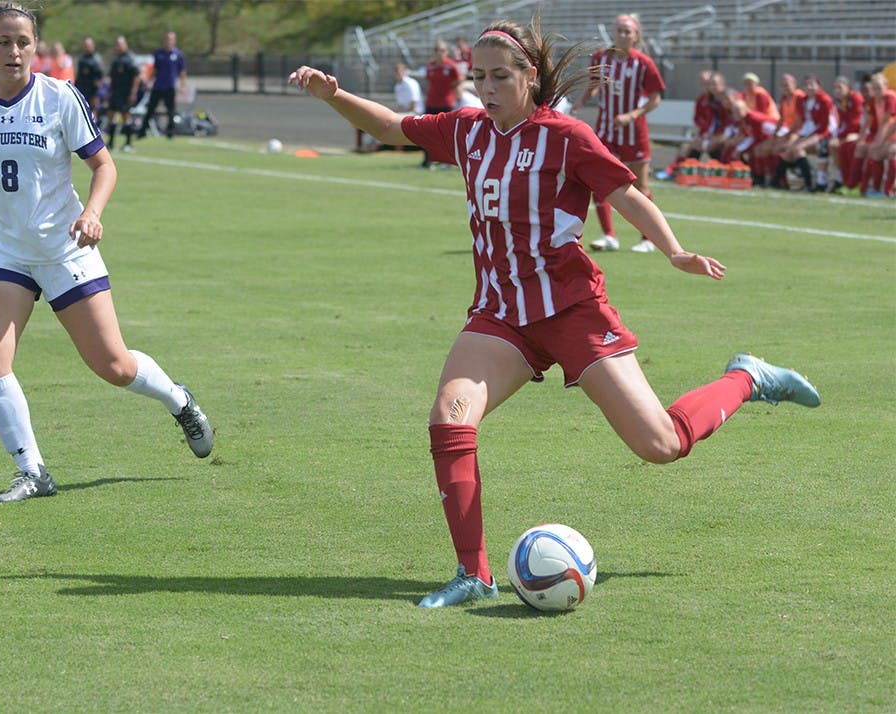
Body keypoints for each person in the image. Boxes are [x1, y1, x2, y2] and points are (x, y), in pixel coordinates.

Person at [288, 19, 821, 608]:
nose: (485, 88)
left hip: (572, 311)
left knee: (660, 445)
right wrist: (333, 95)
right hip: (500, 316)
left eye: (498, 76)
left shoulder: (565, 137)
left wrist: (674, 251)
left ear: (530, 77)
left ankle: (746, 377)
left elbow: (626, 194)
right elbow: (391, 126)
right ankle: (474, 575)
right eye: (478, 76)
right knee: (449, 416)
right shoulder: (467, 130)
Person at [0, 2, 213, 503]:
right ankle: (33, 471)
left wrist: (92, 213)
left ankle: (178, 400)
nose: (14, 51)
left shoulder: (60, 96)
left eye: (23, 42)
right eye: (4, 41)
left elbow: (104, 166)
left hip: (65, 250)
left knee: (113, 367)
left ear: (35, 47)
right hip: (3, 253)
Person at [572, 14, 664, 254]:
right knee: (598, 181)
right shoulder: (601, 58)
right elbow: (594, 84)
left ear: (636, 36)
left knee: (640, 185)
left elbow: (655, 99)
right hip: (606, 130)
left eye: (627, 31)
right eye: (619, 30)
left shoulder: (643, 63)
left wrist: (632, 115)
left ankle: (647, 238)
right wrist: (580, 101)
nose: (622, 35)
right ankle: (609, 235)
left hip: (634, 132)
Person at [771, 75, 836, 192]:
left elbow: (824, 125)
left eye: (812, 84)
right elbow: (801, 120)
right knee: (787, 153)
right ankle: (775, 182)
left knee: (798, 149)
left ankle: (810, 183)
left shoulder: (824, 100)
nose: (809, 87)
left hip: (823, 133)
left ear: (819, 86)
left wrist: (805, 137)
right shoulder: (803, 100)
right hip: (808, 132)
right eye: (807, 85)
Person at [138, 30, 186, 140]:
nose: (168, 41)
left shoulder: (177, 54)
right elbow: (154, 70)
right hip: (158, 86)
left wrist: (182, 85)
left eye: (171, 39)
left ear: (174, 41)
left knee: (171, 111)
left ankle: (171, 132)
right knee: (150, 109)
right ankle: (142, 131)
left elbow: (182, 71)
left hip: (170, 87)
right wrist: (149, 81)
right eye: (167, 39)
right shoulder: (158, 54)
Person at [420, 40, 461, 168]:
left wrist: (453, 92)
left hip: (446, 104)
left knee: (446, 134)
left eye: (442, 50)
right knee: (426, 132)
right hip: (431, 103)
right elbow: (429, 81)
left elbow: (458, 79)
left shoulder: (450, 66)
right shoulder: (430, 66)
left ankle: (446, 162)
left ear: (446, 52)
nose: (439, 53)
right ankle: (428, 161)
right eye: (437, 50)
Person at [104, 35, 141, 152]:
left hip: (125, 93)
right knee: (111, 115)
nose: (118, 47)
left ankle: (129, 143)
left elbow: (136, 76)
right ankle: (110, 142)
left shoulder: (130, 58)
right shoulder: (116, 59)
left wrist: (133, 92)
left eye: (120, 44)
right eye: (117, 44)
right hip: (115, 92)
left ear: (126, 45)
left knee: (126, 116)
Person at [829, 75, 864, 193]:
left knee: (847, 145)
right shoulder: (840, 102)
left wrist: (841, 136)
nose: (837, 91)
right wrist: (837, 136)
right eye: (835, 88)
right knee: (833, 145)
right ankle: (841, 179)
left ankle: (854, 182)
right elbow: (841, 122)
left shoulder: (856, 99)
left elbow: (855, 122)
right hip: (849, 132)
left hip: (859, 131)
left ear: (848, 88)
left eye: (840, 87)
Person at [74, 36, 104, 112]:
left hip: (92, 90)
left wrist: (96, 93)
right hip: (82, 88)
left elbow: (100, 76)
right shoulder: (81, 58)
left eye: (88, 46)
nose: (86, 48)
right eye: (85, 46)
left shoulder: (96, 59)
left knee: (92, 110)